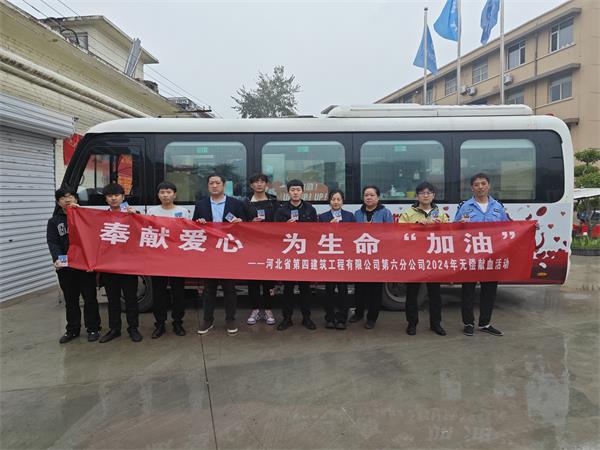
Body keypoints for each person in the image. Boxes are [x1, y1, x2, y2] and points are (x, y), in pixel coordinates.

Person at [454, 173, 509, 337]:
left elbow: (508, 227)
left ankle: (485, 323)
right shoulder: (465, 207)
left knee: (489, 291)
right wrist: (459, 225)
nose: (480, 187)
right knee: (468, 291)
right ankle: (468, 323)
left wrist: (530, 227)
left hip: (492, 255)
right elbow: (454, 229)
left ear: (488, 186)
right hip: (470, 255)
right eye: (476, 184)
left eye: (483, 183)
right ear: (472, 188)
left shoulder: (498, 207)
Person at [193, 174, 247, 335]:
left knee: (229, 288)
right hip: (209, 252)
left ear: (224, 185)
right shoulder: (201, 204)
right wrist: (199, 223)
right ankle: (207, 320)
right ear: (208, 186)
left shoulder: (236, 204)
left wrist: (240, 222)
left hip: (228, 251)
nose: (214, 186)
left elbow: (246, 225)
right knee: (209, 289)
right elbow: (194, 226)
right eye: (211, 183)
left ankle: (230, 319)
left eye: (217, 183)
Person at [46, 188, 102, 343]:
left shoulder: (86, 216)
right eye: (63, 198)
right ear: (58, 202)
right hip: (66, 267)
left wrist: (93, 261)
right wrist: (58, 259)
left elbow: (95, 238)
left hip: (85, 266)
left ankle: (93, 328)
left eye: (70, 196)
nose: (67, 200)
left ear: (76, 199)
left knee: (90, 299)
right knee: (71, 300)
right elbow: (53, 242)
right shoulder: (54, 221)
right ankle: (72, 330)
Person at [398, 182, 448, 336]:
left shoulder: (440, 214)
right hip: (414, 258)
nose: (426, 195)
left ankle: (436, 324)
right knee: (412, 294)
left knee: (435, 294)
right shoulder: (408, 214)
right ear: (417, 196)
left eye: (429, 192)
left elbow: (450, 234)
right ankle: (412, 323)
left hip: (434, 259)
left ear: (434, 195)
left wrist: (441, 227)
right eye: (422, 193)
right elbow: (398, 233)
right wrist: (415, 225)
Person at [99, 183, 143, 343]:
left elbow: (144, 230)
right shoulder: (100, 218)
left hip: (128, 265)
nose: (113, 198)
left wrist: (136, 215)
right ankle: (114, 329)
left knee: (131, 298)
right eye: (110, 196)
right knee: (113, 299)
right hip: (109, 265)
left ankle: (133, 328)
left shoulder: (133, 215)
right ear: (106, 199)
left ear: (123, 197)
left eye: (116, 195)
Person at [147, 181, 191, 338]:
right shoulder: (152, 211)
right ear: (158, 195)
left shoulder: (183, 212)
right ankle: (159, 324)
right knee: (158, 292)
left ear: (175, 194)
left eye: (168, 192)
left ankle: (177, 322)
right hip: (158, 258)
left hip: (177, 258)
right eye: (162, 192)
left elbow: (188, 232)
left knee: (178, 291)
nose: (165, 195)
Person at [274, 179, 318, 331]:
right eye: (292, 190)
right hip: (288, 255)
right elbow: (275, 233)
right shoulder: (281, 211)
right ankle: (287, 318)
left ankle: (307, 318)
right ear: (288, 192)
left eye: (298, 190)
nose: (295, 192)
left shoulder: (310, 209)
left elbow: (315, 232)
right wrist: (285, 228)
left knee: (305, 289)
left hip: (304, 254)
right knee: (288, 289)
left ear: (302, 191)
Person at [351, 185, 394, 329]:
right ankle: (358, 313)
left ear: (378, 197)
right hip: (361, 256)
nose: (368, 198)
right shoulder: (357, 213)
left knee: (375, 289)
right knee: (359, 288)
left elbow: (390, 233)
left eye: (372, 195)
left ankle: (372, 318)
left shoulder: (385, 213)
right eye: (366, 195)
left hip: (378, 256)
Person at [242, 173, 280, 326]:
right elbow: (241, 224)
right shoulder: (245, 203)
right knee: (253, 280)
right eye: (256, 182)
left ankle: (269, 309)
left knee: (269, 281)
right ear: (251, 185)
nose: (259, 184)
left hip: (270, 247)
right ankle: (255, 310)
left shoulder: (274, 202)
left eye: (262, 181)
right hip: (252, 247)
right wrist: (251, 223)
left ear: (266, 184)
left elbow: (279, 223)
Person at [318, 189, 355, 330]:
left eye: (338, 199)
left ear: (342, 201)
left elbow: (354, 235)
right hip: (329, 258)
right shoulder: (323, 217)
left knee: (343, 289)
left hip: (343, 258)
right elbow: (318, 236)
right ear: (329, 201)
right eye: (333, 199)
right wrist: (329, 227)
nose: (336, 202)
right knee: (329, 289)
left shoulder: (349, 216)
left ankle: (342, 319)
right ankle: (329, 317)